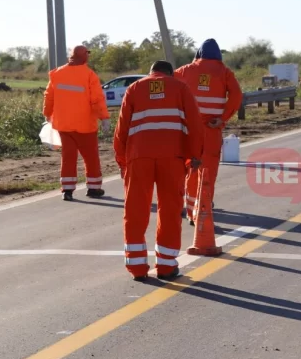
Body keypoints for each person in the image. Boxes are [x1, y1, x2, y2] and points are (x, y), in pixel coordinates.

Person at [113, 60, 204, 281]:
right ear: (170, 74)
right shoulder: (180, 88)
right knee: (170, 210)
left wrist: (123, 161)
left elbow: (121, 129)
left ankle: (137, 268)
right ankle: (165, 266)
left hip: (138, 158)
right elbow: (194, 124)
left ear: (151, 73)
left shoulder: (135, 88)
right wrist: (195, 156)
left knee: (135, 211)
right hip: (172, 158)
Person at [174, 39, 243, 225]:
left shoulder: (185, 70)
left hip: (189, 130)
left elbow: (167, 83)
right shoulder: (224, 72)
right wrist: (223, 118)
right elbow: (237, 95)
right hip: (212, 129)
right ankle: (202, 207)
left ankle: (189, 209)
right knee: (208, 170)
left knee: (190, 168)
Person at [43, 45, 111, 201]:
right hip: (85, 126)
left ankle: (67, 190)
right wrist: (104, 118)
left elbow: (49, 96)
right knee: (91, 158)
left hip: (64, 125)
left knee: (68, 157)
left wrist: (47, 114)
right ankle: (93, 188)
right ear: (85, 56)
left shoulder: (57, 74)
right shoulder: (89, 75)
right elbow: (97, 99)